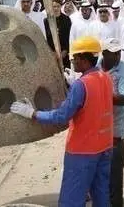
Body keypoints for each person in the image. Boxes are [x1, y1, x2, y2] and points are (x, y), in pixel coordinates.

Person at [10, 36, 113, 207]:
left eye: (75, 58)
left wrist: (33, 114)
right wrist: (75, 84)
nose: (72, 62)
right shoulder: (105, 77)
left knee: (71, 199)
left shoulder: (82, 85)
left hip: (83, 150)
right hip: (104, 146)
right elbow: (94, 103)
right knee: (101, 195)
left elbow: (61, 116)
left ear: (83, 59)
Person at [100, 38, 124, 207]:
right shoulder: (96, 66)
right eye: (114, 53)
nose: (118, 56)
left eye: (119, 52)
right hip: (97, 129)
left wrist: (99, 92)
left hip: (115, 131)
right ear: (104, 53)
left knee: (114, 174)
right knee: (98, 172)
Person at [44, 0, 72, 69]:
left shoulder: (66, 19)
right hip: (51, 53)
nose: (56, 8)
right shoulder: (46, 20)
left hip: (64, 52)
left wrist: (65, 50)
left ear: (61, 7)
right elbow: (46, 37)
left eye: (58, 6)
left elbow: (69, 36)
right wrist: (52, 52)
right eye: (54, 6)